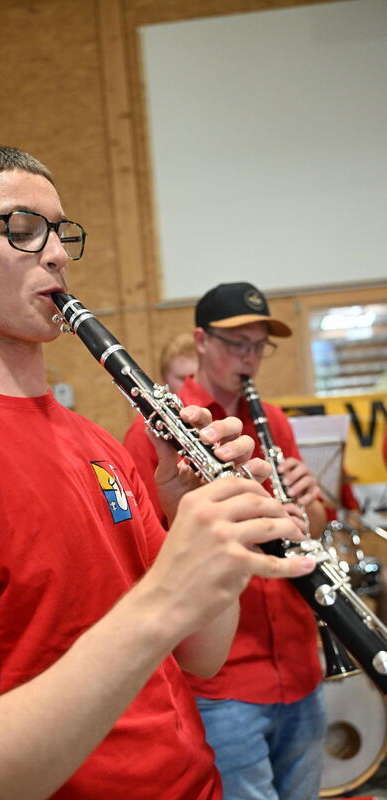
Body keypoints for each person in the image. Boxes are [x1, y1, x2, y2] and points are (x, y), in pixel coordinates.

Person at [0, 150, 315, 800]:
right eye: (21, 230)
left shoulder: (93, 442)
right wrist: (159, 603)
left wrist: (215, 527)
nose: (54, 255)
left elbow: (201, 653)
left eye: (59, 232)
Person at [124, 281, 329, 800]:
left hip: (301, 667)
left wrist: (309, 505)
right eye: (238, 343)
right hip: (225, 682)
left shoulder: (273, 420)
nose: (250, 358)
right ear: (201, 341)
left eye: (259, 345)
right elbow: (147, 552)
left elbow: (312, 525)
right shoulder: (159, 431)